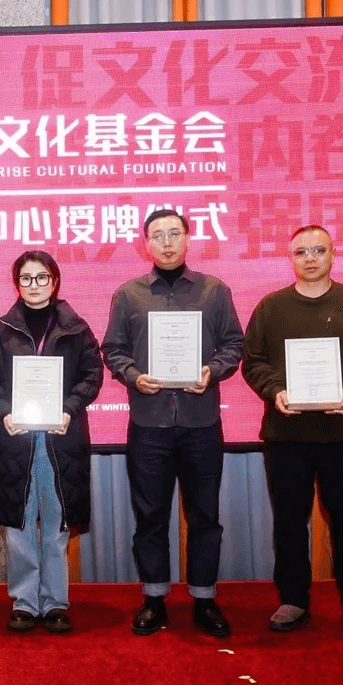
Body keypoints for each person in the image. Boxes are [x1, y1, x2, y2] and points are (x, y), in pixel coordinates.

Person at [242, 225, 343, 639]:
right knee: (289, 522)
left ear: (333, 255)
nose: (310, 258)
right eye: (301, 252)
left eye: (318, 250)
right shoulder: (271, 307)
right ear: (290, 259)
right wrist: (275, 390)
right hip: (286, 436)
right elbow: (253, 361)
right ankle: (292, 599)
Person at [101, 208, 243, 638]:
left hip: (201, 422)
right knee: (151, 516)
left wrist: (212, 371)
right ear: (145, 243)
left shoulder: (214, 291)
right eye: (158, 235)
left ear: (188, 238)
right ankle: (154, 598)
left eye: (174, 233)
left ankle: (204, 598)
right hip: (149, 424)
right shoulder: (128, 295)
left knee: (205, 516)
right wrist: (133, 376)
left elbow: (233, 344)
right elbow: (113, 349)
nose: (166, 242)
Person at [0, 250, 102, 634]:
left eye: (42, 277)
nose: (34, 285)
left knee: (56, 523)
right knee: (18, 524)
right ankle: (24, 602)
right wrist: (4, 410)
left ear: (55, 281)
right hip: (16, 440)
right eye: (26, 278)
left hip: (61, 441)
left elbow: (92, 375)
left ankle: (56, 602)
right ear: (17, 283)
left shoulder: (77, 329)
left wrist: (68, 409)